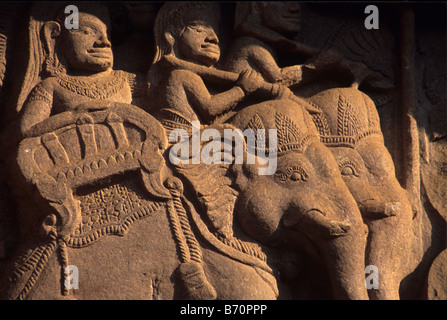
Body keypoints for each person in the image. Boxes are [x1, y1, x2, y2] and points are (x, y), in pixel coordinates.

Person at [20, 4, 148, 135]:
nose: (105, 42)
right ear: (53, 35)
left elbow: (162, 108)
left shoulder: (127, 81)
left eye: (108, 34)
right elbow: (27, 130)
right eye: (87, 31)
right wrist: (72, 117)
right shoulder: (52, 86)